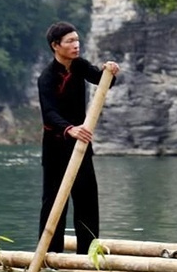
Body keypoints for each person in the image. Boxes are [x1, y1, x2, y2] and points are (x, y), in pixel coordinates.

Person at [37, 21, 120, 254]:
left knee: (87, 201)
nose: (76, 45)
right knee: (54, 202)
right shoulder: (46, 77)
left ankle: (88, 254)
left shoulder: (80, 66)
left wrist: (109, 70)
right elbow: (49, 113)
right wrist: (69, 129)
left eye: (77, 40)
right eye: (70, 41)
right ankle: (50, 256)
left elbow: (104, 80)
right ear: (56, 46)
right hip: (56, 147)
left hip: (81, 145)